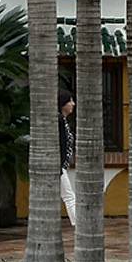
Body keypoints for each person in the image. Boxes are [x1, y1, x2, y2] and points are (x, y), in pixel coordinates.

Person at [58, 89, 77, 226]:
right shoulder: (59, 121)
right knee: (69, 196)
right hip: (58, 167)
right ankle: (78, 224)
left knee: (67, 196)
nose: (73, 104)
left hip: (62, 165)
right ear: (63, 103)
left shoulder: (63, 121)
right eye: (70, 101)